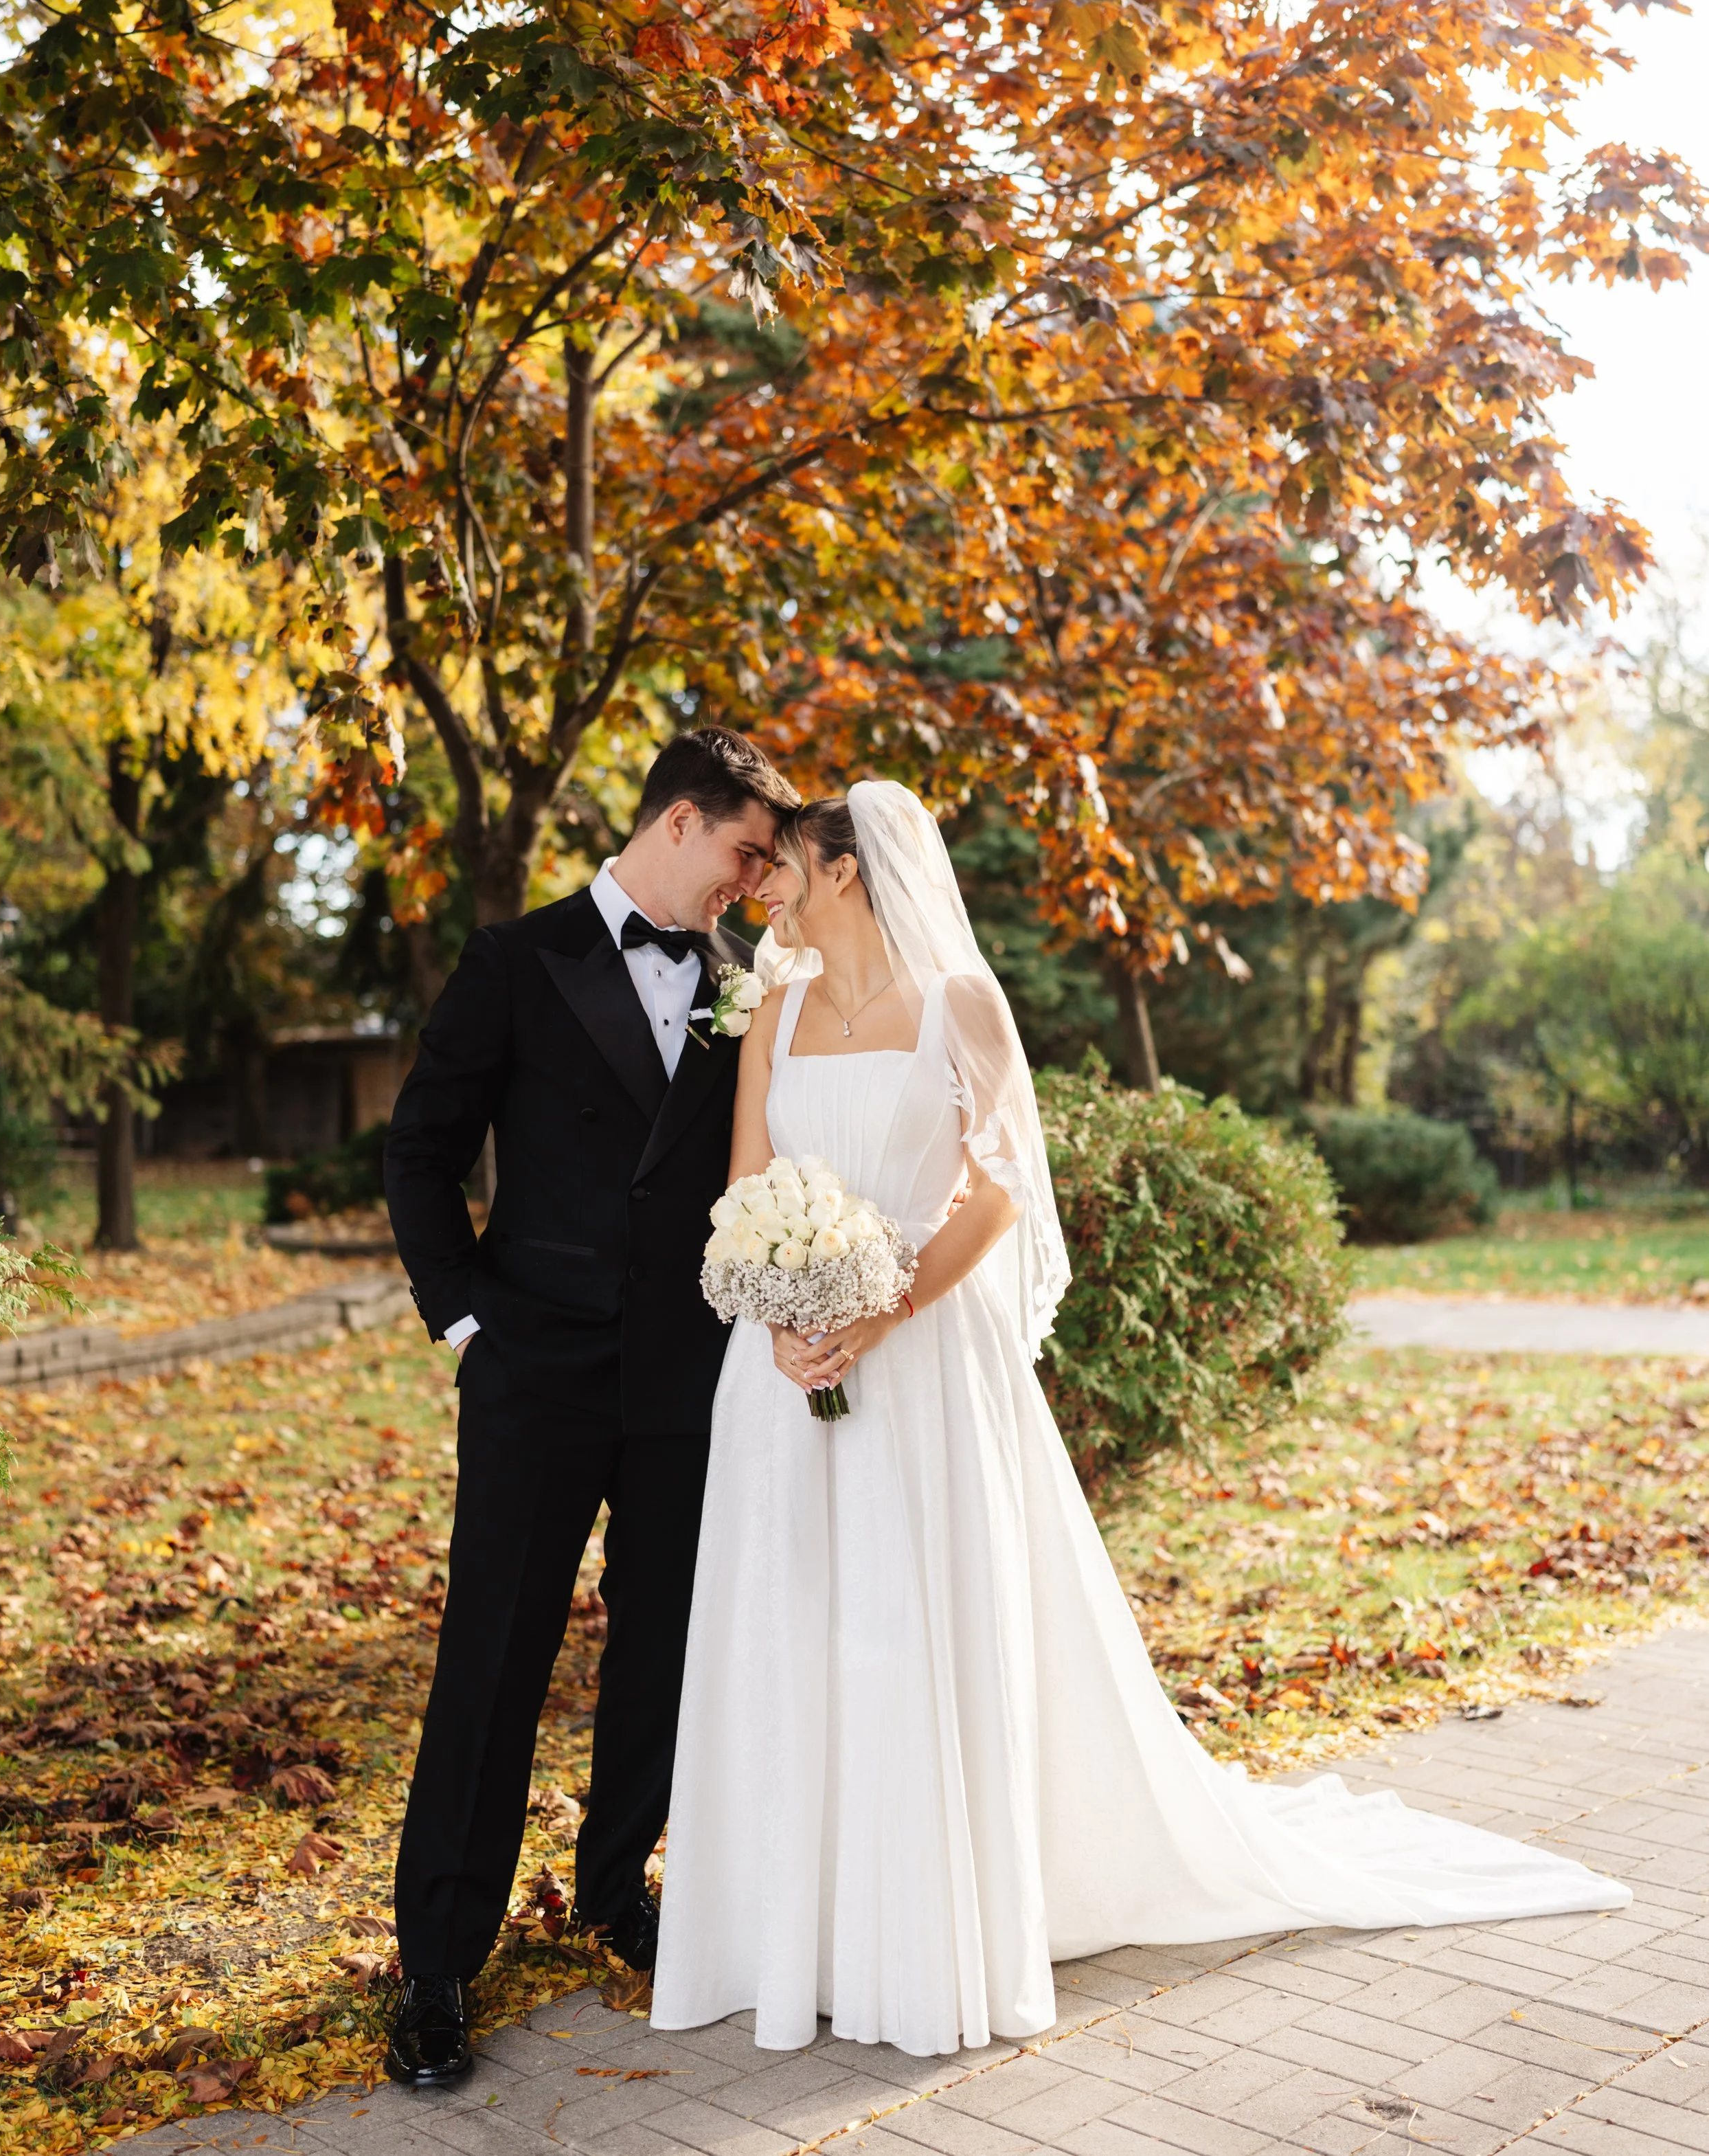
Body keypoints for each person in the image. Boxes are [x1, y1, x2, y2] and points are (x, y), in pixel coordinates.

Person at [650, 779, 1630, 2060]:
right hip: (779, 1374)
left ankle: (917, 1929)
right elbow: (745, 1184)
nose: (764, 884)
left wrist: (879, 1308)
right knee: (794, 1629)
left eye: (786, 864)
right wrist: (778, 1305)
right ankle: (799, 1933)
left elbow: (999, 1193)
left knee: (906, 1630)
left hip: (922, 1356)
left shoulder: (961, 1005)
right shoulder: (771, 1009)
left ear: (846, 870)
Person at [381, 727, 800, 2087]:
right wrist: (464, 1311)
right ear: (678, 823)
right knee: (491, 1657)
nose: (752, 882)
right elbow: (422, 1148)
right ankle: (439, 1962)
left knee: (662, 1648)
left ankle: (617, 1891)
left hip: (686, 1381)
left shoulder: (741, 985)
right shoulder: (518, 959)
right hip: (532, 1376)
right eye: (743, 852)